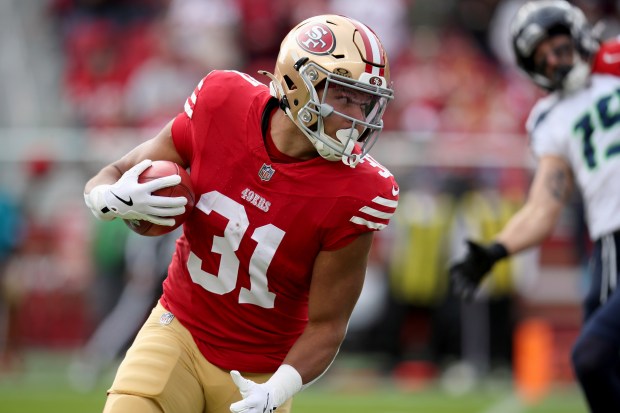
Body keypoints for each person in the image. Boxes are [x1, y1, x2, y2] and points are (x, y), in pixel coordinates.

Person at [83, 14, 398, 413]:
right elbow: (111, 173)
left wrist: (277, 390)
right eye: (343, 96)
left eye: (364, 101)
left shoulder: (359, 191)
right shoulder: (223, 103)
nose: (357, 117)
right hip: (178, 330)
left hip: (260, 372)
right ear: (300, 85)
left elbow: (327, 326)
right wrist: (107, 198)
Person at [449, 1, 620, 412]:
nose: (555, 61)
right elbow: (543, 205)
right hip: (609, 249)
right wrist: (496, 250)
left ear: (578, 35)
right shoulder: (550, 117)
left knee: (591, 357)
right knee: (601, 365)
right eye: (542, 58)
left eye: (557, 47)